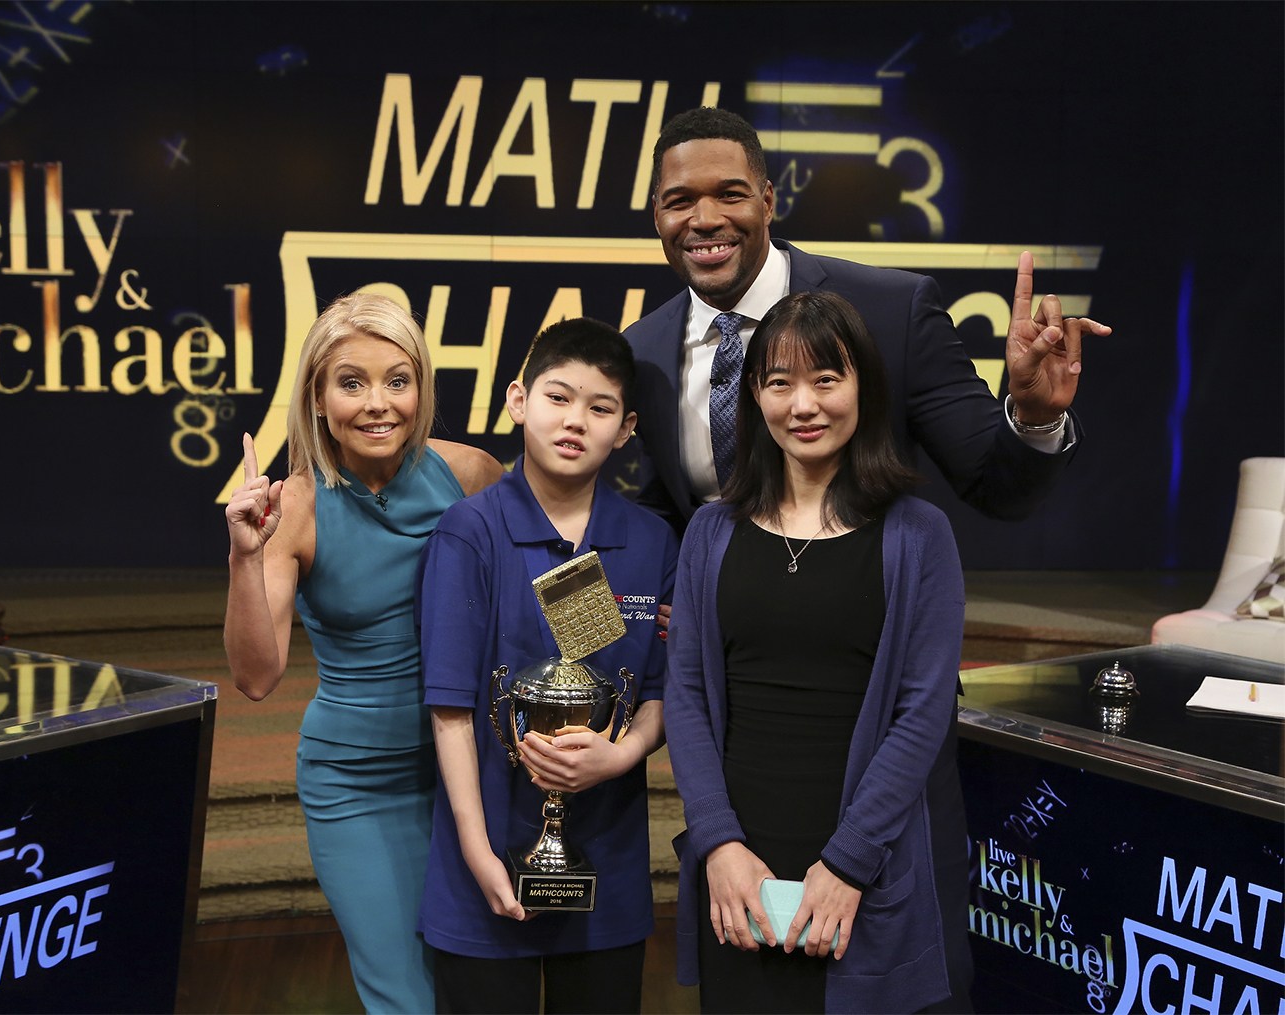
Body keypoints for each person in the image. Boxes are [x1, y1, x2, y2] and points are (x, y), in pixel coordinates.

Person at [663, 291, 973, 1013]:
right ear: (754, 397)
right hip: (741, 859)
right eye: (779, 382)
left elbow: (923, 711)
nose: (803, 404)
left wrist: (848, 860)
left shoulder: (919, 534)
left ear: (864, 386)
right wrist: (720, 843)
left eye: (825, 379)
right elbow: (687, 696)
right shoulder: (711, 532)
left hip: (867, 860)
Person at [626, 105, 1111, 530]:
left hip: (860, 621)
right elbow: (664, 512)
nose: (705, 218)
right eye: (680, 201)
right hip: (711, 630)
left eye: (731, 194)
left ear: (768, 202)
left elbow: (998, 491)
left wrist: (1037, 417)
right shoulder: (643, 350)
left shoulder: (892, 312)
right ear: (657, 215)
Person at [223, 290, 501, 1013]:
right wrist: (243, 557)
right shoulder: (295, 509)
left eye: (397, 380)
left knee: (477, 990)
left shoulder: (470, 473)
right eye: (352, 382)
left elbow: (549, 582)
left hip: (473, 772)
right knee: (404, 997)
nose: (378, 404)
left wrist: (630, 624)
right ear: (318, 396)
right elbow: (256, 677)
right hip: (359, 785)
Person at [416, 318, 679, 1014]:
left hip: (608, 869)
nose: (574, 421)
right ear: (518, 400)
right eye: (558, 397)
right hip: (486, 858)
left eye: (599, 408)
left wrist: (619, 758)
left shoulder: (652, 541)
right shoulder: (470, 531)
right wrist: (476, 850)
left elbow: (656, 694)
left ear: (625, 429)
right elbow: (449, 709)